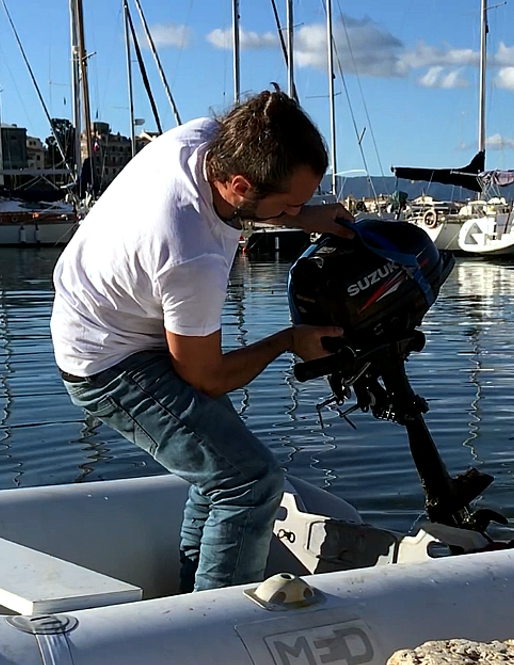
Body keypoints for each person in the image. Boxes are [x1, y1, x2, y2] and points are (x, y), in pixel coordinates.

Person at [50, 87, 353, 593]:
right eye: (292, 201)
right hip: (106, 360)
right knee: (249, 482)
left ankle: (194, 599)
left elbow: (260, 198)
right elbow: (207, 379)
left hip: (106, 313)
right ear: (238, 184)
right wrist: (286, 341)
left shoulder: (207, 138)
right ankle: (218, 625)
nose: (300, 209)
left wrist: (301, 216)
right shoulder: (193, 252)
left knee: (223, 467)